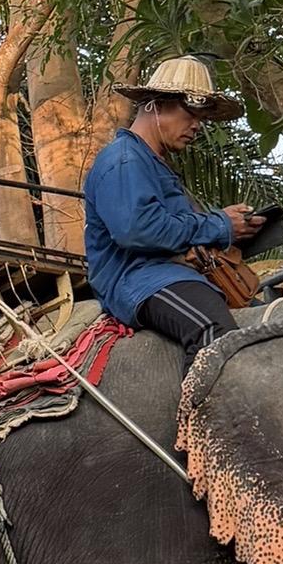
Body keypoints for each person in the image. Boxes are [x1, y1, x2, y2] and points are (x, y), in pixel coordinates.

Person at [83, 54, 260, 357]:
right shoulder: (124, 159)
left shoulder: (154, 162)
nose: (197, 126)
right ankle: (197, 407)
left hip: (176, 275)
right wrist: (220, 225)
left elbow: (176, 228)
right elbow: (137, 229)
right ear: (155, 104)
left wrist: (234, 229)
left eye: (201, 119)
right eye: (191, 114)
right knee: (214, 332)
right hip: (141, 280)